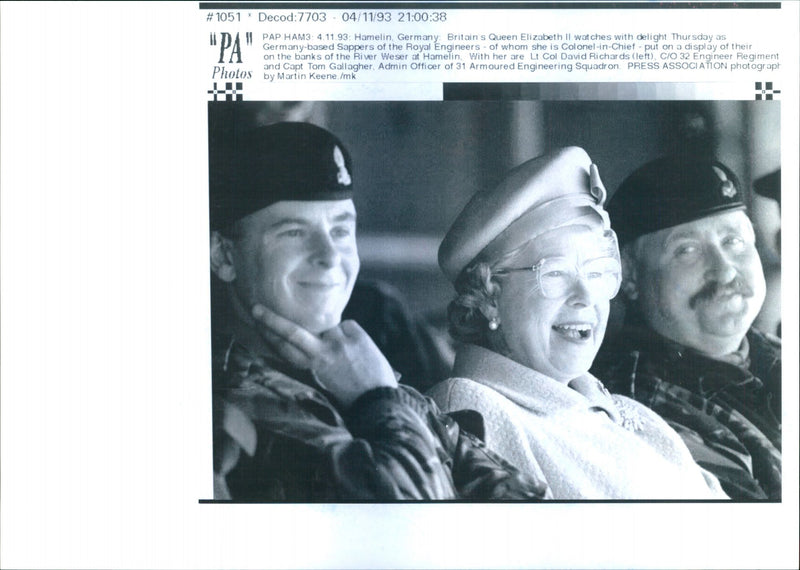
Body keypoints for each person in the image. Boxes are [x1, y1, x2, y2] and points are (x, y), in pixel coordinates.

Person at [208, 121, 548, 501]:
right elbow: (410, 534)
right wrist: (379, 401)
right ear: (224, 255)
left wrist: (380, 396)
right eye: (294, 233)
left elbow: (530, 512)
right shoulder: (225, 405)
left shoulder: (356, 374)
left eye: (340, 231)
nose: (330, 256)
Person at [428, 147, 727, 500]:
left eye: (597, 272)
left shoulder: (631, 415)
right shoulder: (472, 409)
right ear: (489, 296)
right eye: (555, 273)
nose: (586, 296)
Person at [592, 155, 781, 500]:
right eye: (687, 250)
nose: (724, 271)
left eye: (733, 241)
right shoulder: (638, 405)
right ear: (630, 276)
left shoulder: (775, 354)